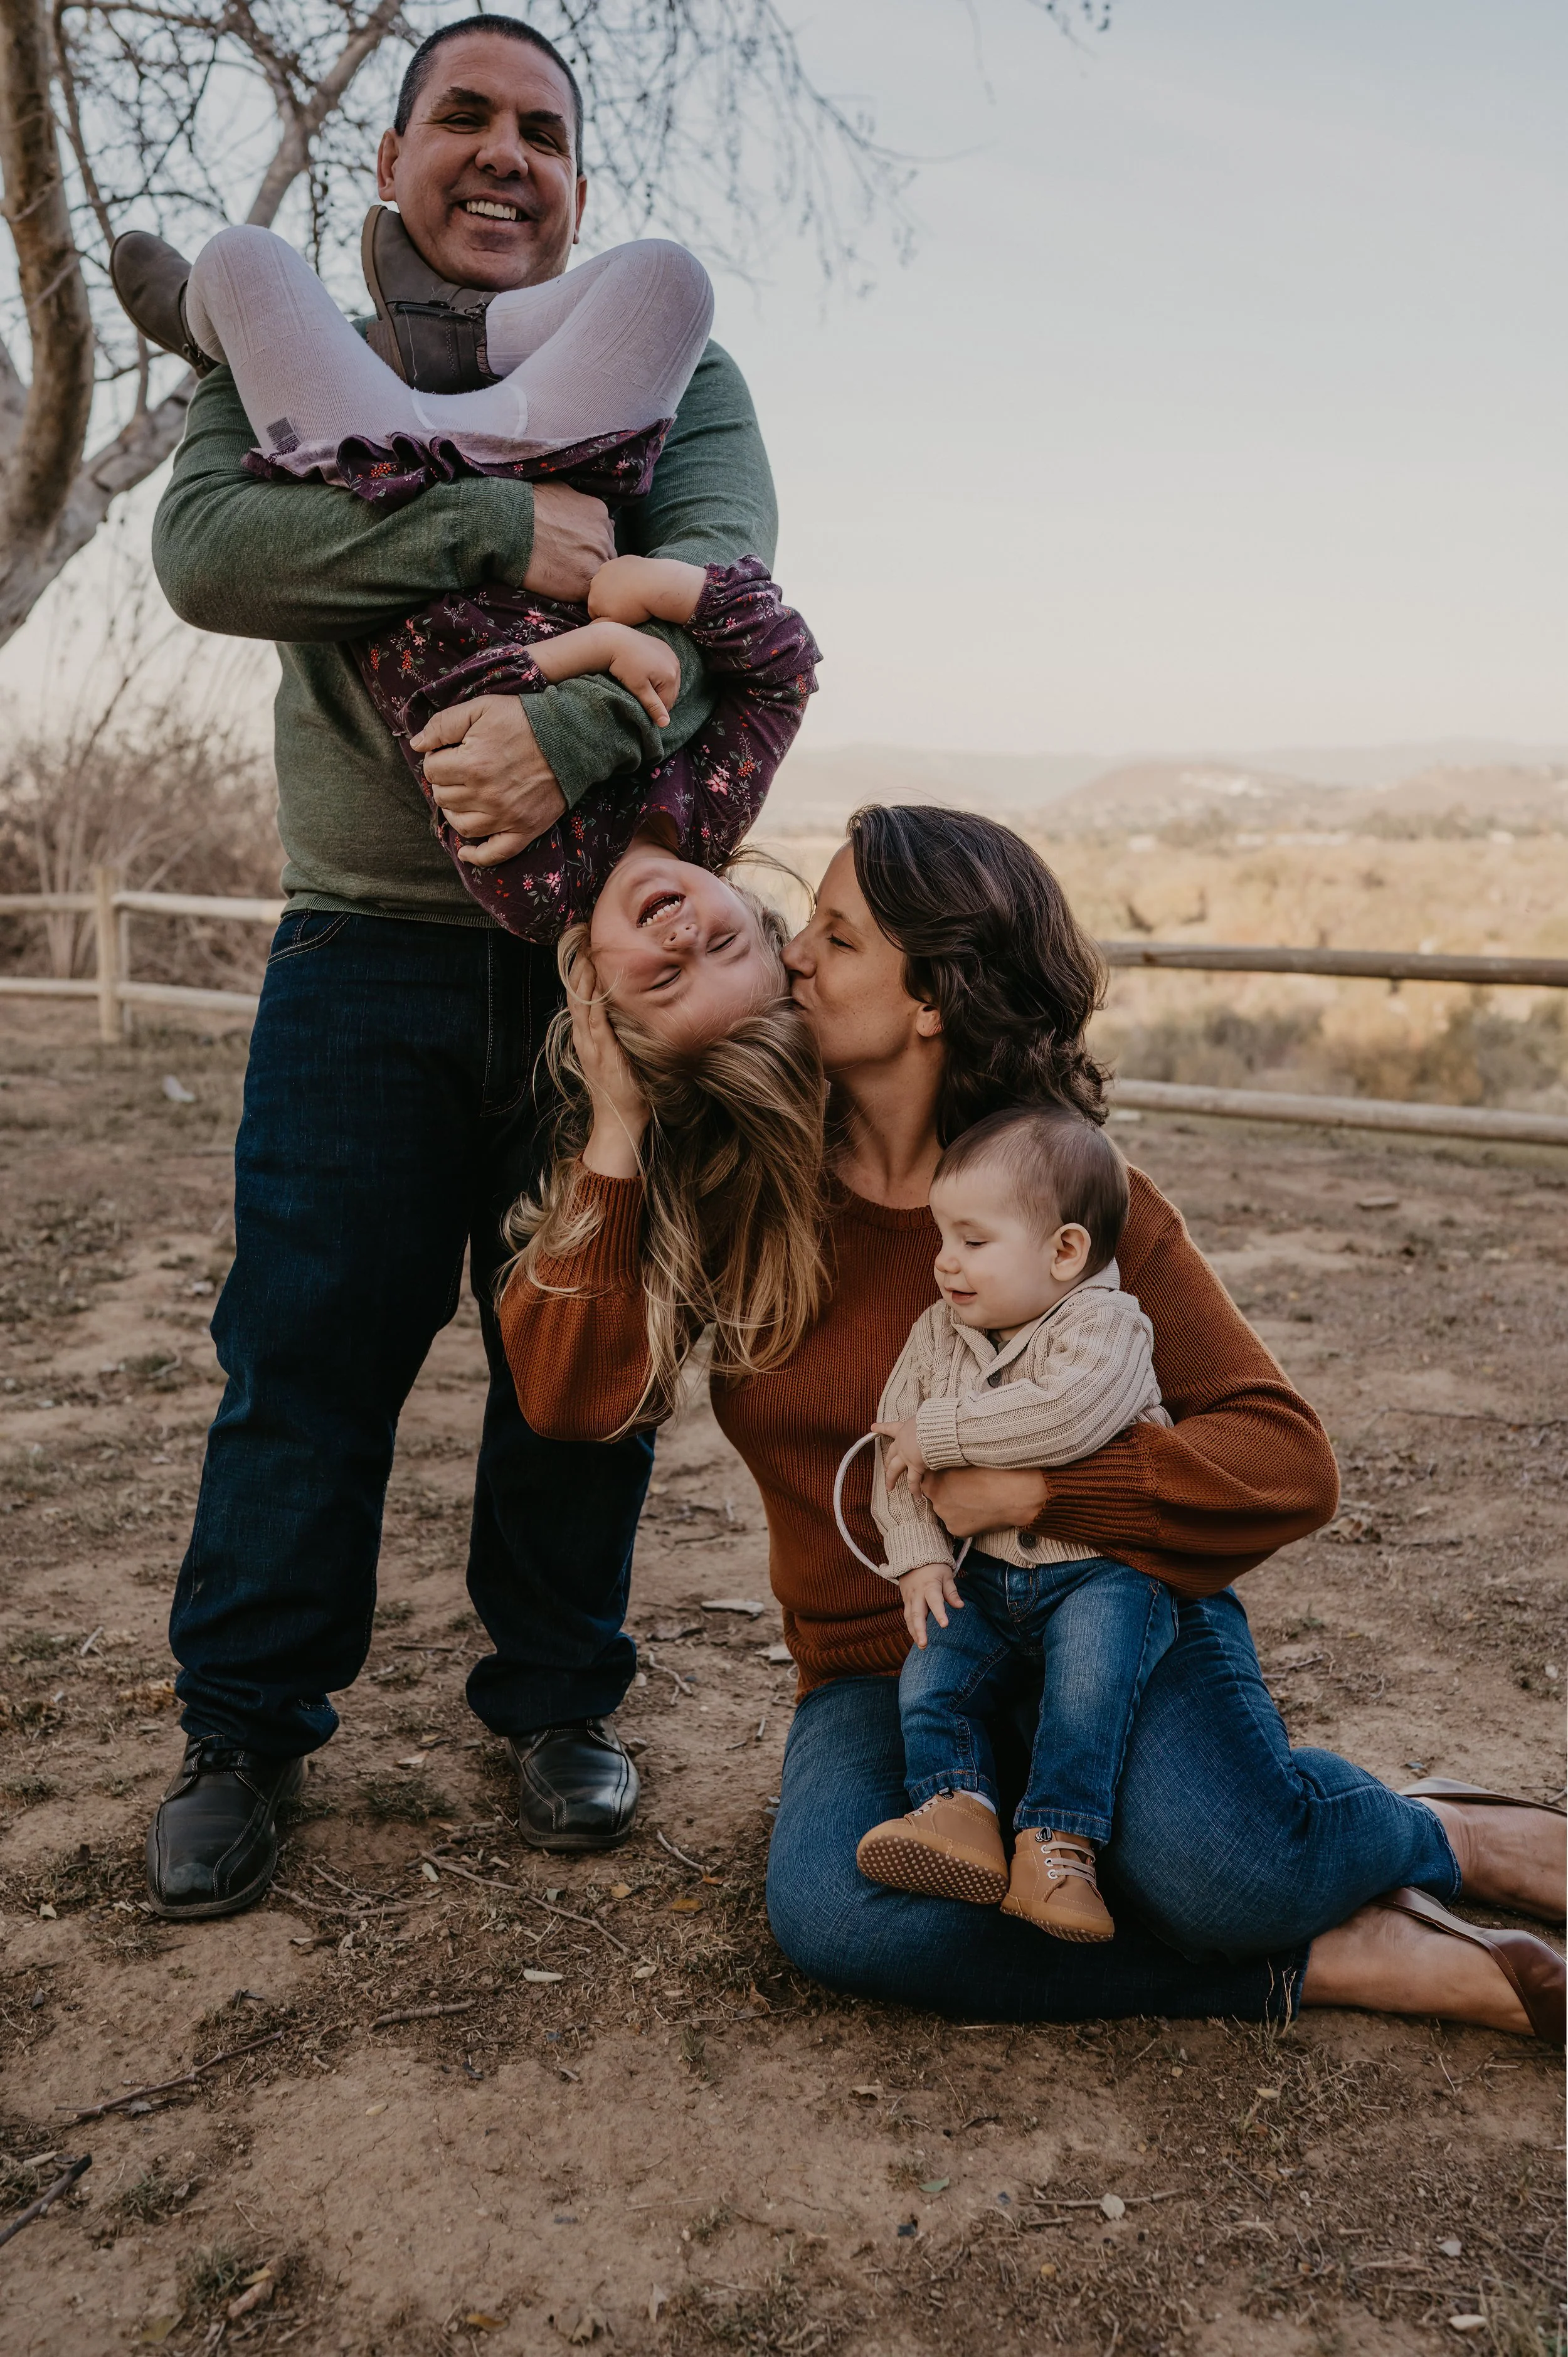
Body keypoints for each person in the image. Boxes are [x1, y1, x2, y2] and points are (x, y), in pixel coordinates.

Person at [501, 803, 1565, 2040]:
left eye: (834, 939)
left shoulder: (1067, 1201)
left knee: (1224, 1872)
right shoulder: (741, 1177)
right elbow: (566, 1403)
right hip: (876, 1666)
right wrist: (618, 1132)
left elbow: (1285, 1461)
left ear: (929, 1002)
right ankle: (1328, 1956)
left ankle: (1433, 1828)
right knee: (838, 1915)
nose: (791, 953)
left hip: (1102, 1622)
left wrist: (1050, 1494)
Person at [138, 13, 785, 1917]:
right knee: (305, 1350)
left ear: (577, 183)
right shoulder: (270, 351)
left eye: (545, 133)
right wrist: (507, 522)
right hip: (363, 949)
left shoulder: (683, 368)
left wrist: (560, 746)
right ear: (393, 164)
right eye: (465, 120)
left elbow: (726, 595)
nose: (506, 156)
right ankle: (243, 1724)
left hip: (606, 956)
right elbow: (216, 553)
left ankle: (558, 1696)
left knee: (588, 1346)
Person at [853, 1105, 1173, 1943]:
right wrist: (920, 1558)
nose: (944, 1261)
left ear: (1066, 1250)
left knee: (1088, 1690)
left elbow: (1064, 1416)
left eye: (972, 1240)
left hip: (1103, 1569)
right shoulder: (938, 1334)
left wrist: (946, 1434)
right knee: (934, 1669)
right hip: (985, 1571)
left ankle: (1056, 1847)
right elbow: (894, 1448)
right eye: (941, 1236)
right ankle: (956, 1806)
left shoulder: (1106, 1327)